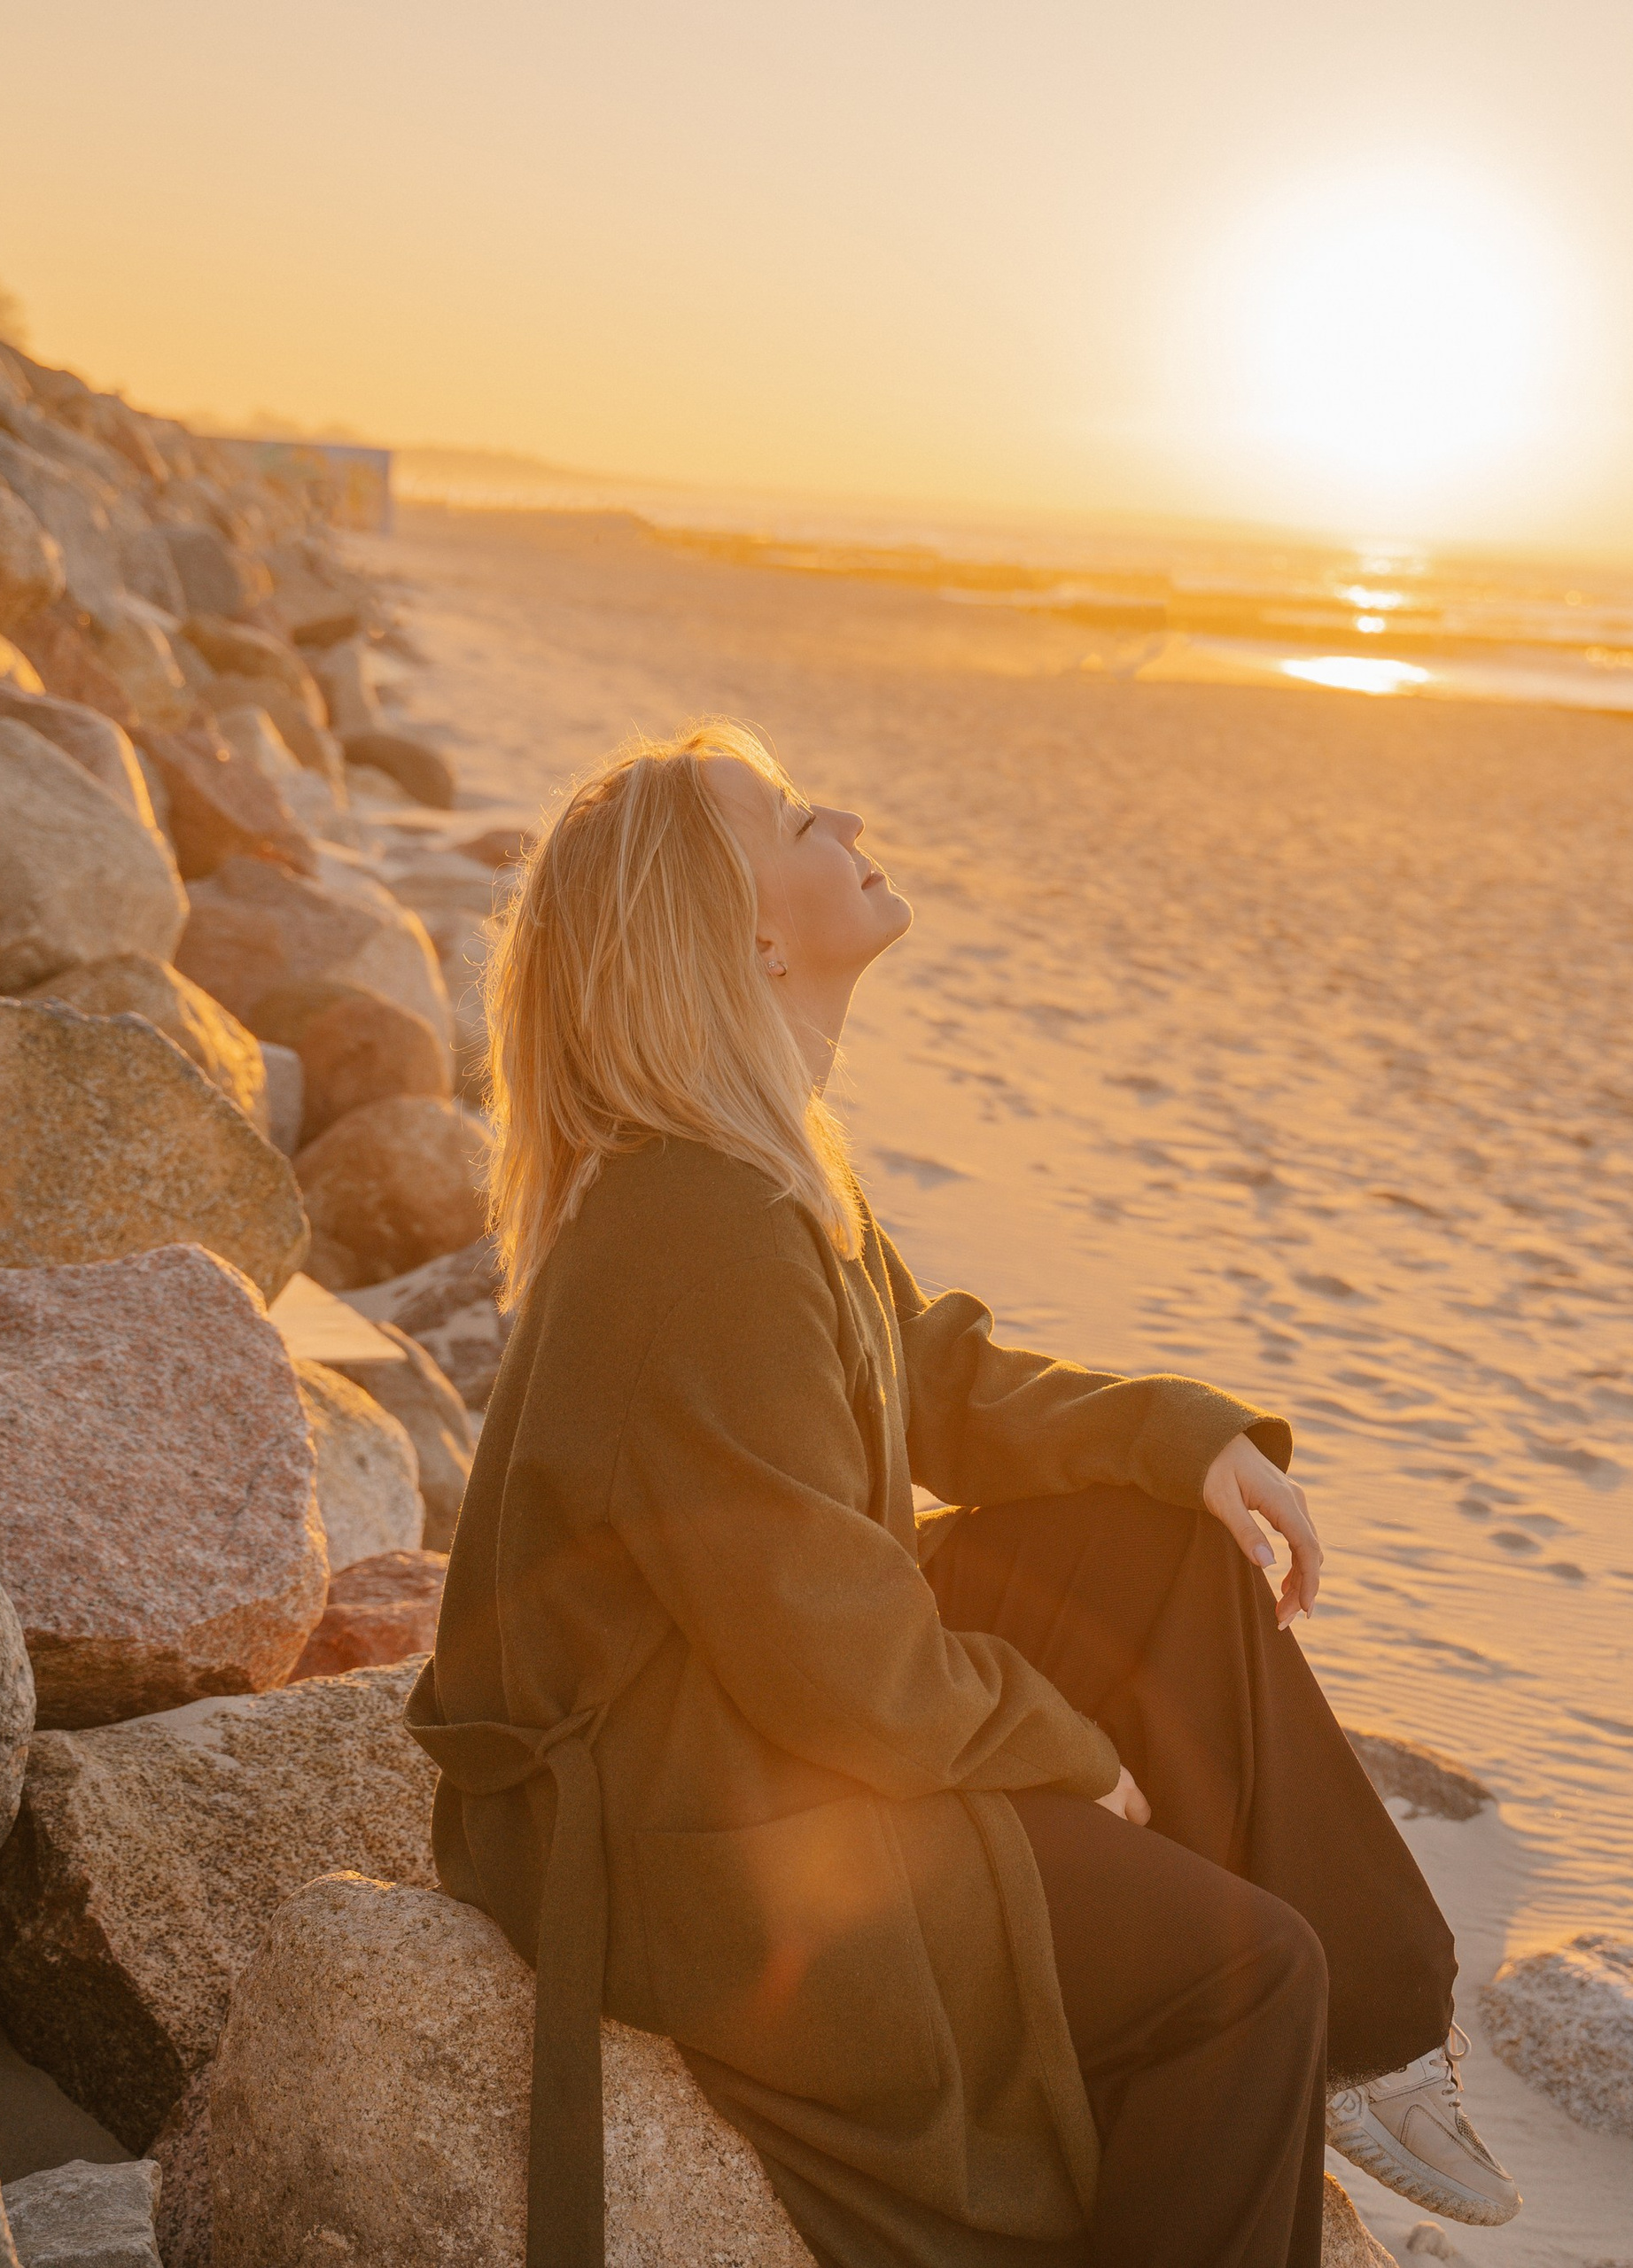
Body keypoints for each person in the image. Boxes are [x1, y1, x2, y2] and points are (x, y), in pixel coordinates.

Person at [408, 719, 1520, 2268]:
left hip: (731, 1704)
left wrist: (1178, 1439)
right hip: (689, 1813)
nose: (849, 819)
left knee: (1156, 1548)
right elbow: (829, 1650)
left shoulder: (758, 1167)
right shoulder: (698, 1223)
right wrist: (1064, 1758)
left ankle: (1371, 2036)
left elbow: (930, 1377)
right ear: (748, 937)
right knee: (1248, 1974)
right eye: (798, 817)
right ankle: (1283, 2008)